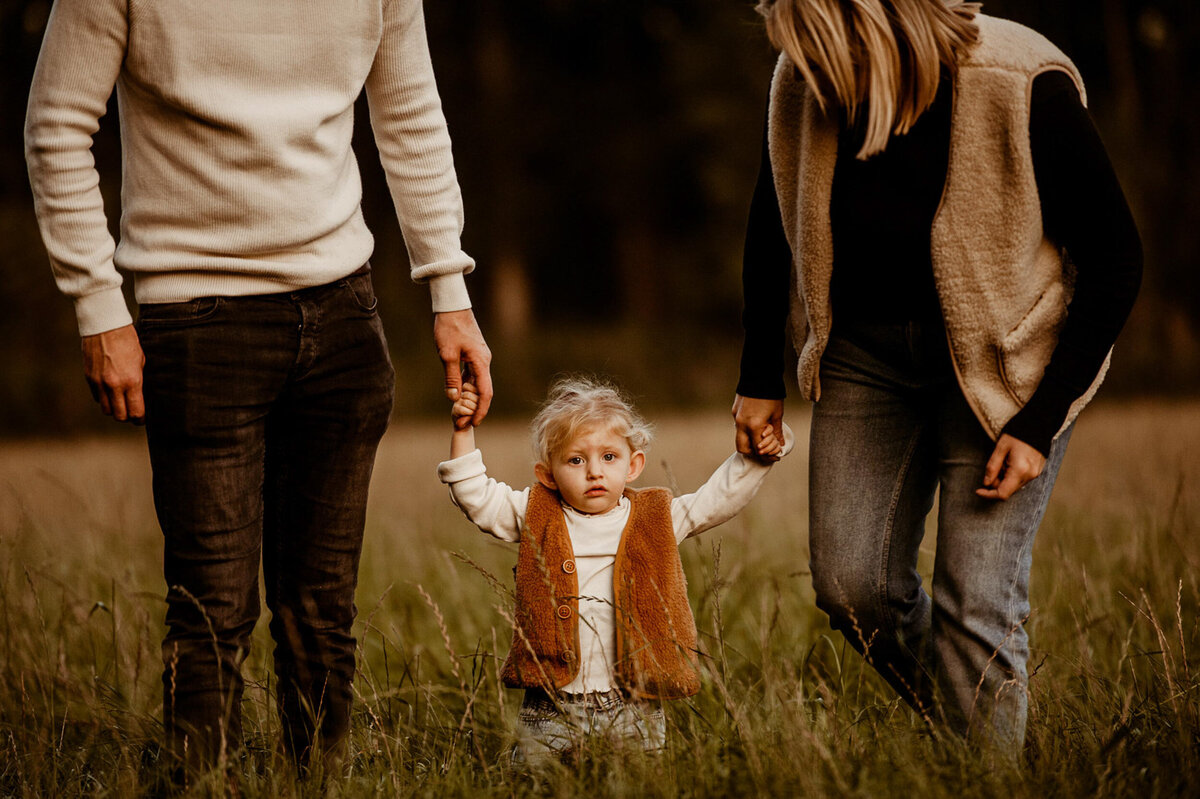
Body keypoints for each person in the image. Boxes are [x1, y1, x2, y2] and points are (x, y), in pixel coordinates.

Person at [24, 0, 492, 776]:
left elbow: (410, 113)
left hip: (346, 309)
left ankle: (319, 783)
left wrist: (450, 289)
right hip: (196, 320)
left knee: (323, 612)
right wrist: (98, 305)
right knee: (212, 613)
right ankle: (195, 782)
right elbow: (57, 126)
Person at [732, 0, 1142, 754]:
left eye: (823, 53)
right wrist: (760, 373)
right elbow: (772, 217)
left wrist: (1037, 421)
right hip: (865, 359)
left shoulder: (1015, 78)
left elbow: (1117, 260)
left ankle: (987, 766)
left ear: (870, 30)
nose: (808, 73)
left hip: (1006, 368)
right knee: (852, 588)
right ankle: (979, 729)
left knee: (976, 605)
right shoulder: (801, 82)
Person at [439, 376, 790, 763]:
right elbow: (476, 497)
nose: (594, 471)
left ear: (633, 465)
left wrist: (756, 457)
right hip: (551, 705)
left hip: (634, 703)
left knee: (642, 783)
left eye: (609, 457)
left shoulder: (655, 518)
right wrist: (463, 430)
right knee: (537, 785)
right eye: (576, 460)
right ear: (547, 474)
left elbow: (716, 499)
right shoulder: (536, 514)